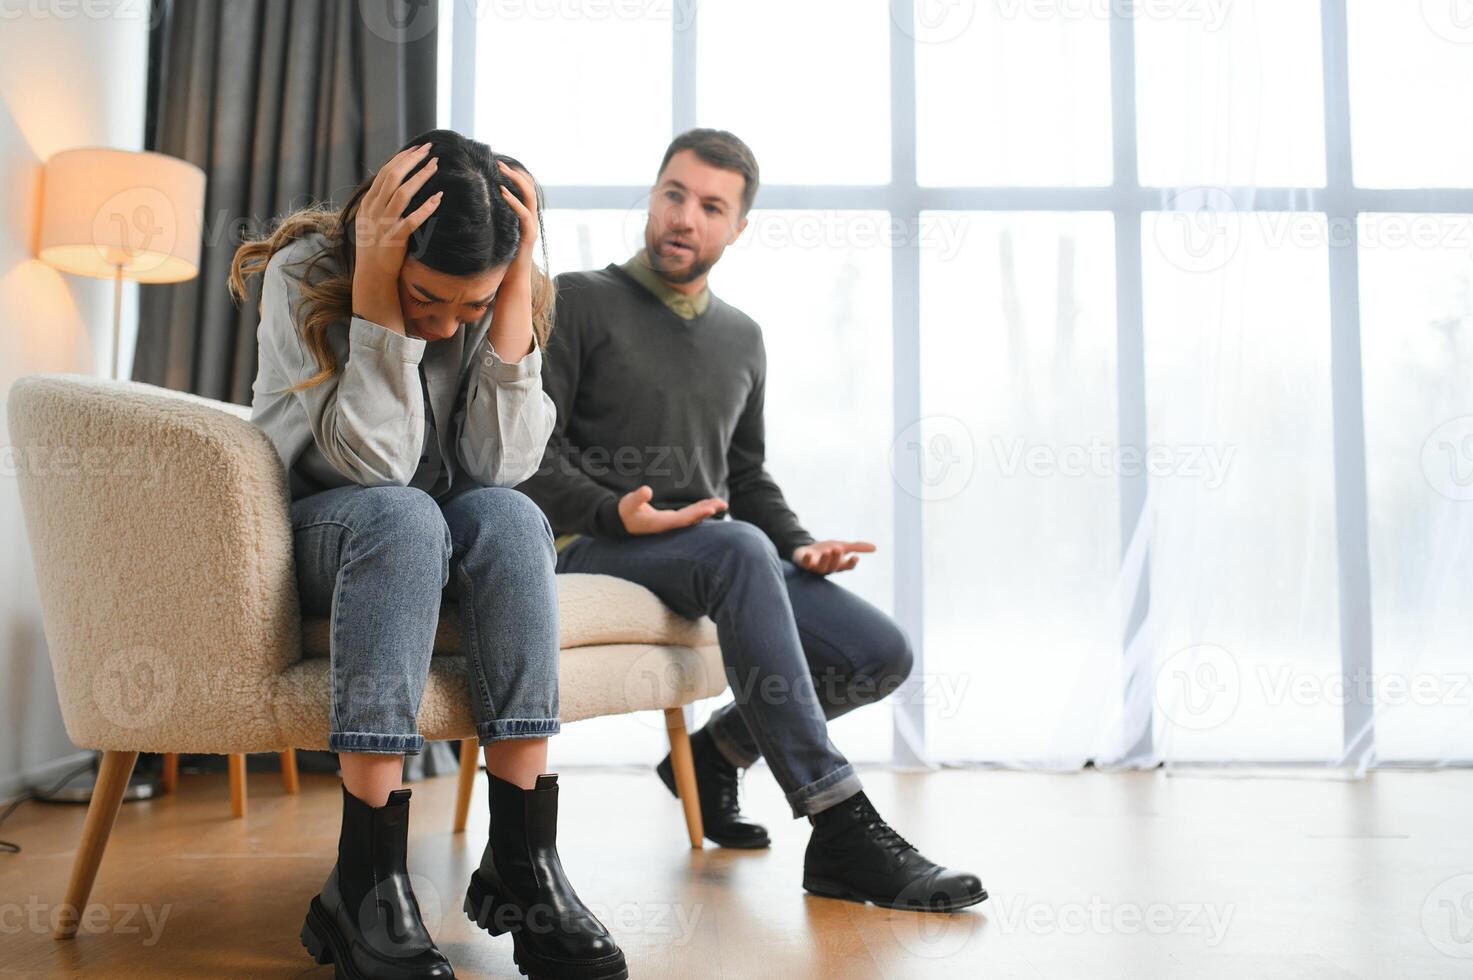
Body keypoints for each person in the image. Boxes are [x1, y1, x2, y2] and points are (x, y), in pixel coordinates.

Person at [516, 128, 986, 913]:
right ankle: (839, 824)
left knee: (877, 651)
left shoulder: (741, 337)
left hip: (707, 550)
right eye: (673, 194)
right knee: (736, 546)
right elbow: (528, 452)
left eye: (710, 206)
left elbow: (742, 475)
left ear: (736, 227)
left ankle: (711, 756)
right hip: (595, 543)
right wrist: (615, 512)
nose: (684, 218)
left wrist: (798, 546)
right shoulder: (579, 299)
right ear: (653, 196)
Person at [233, 129, 627, 980]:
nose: (443, 324)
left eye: (468, 306)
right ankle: (364, 879)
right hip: (322, 532)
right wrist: (378, 297)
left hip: (429, 526)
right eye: (425, 296)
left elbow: (501, 466)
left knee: (514, 519)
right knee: (404, 515)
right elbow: (372, 467)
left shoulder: (495, 293)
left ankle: (523, 863)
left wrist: (513, 290)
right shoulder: (303, 272)